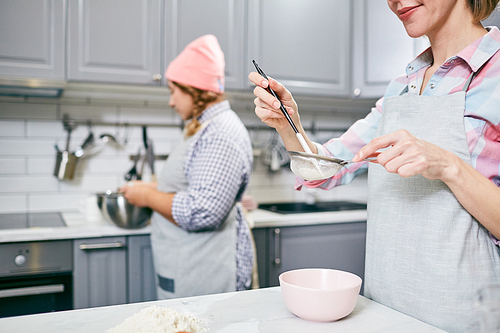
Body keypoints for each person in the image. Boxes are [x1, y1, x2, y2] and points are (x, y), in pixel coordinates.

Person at [249, 1, 500, 332]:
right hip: (385, 313)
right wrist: (287, 125)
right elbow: (329, 168)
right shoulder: (402, 87)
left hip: (462, 317)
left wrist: (448, 164)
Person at [122, 34, 254, 299]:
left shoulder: (220, 134)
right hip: (192, 266)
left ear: (194, 89)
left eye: (174, 91)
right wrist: (146, 186)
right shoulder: (204, 128)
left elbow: (202, 211)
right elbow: (190, 185)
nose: (171, 102)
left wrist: (146, 195)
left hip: (208, 273)